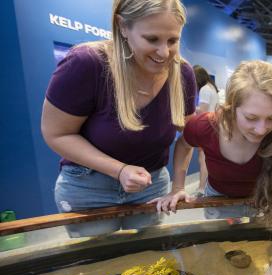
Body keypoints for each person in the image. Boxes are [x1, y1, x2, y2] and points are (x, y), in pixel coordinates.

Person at [41, 0, 197, 238]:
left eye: (173, 41)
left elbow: (189, 135)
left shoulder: (183, 73)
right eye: (152, 39)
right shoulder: (87, 63)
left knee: (149, 262)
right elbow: (57, 133)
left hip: (152, 186)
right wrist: (120, 170)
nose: (164, 52)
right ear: (123, 27)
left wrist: (178, 187)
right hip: (89, 187)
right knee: (99, 267)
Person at [150, 60, 272, 275]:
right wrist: (177, 187)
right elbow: (183, 144)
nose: (261, 129)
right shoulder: (206, 126)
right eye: (251, 118)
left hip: (260, 198)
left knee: (255, 247)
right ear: (231, 108)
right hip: (217, 195)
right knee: (218, 251)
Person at [193, 65, 219, 195]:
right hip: (213, 127)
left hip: (205, 127)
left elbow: (202, 111)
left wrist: (189, 110)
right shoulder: (212, 88)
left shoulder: (204, 89)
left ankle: (201, 188)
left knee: (202, 159)